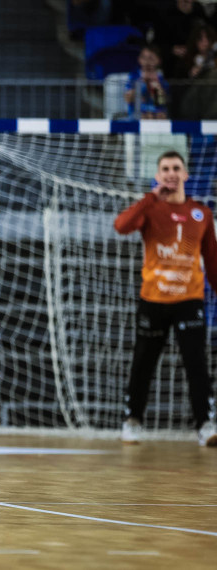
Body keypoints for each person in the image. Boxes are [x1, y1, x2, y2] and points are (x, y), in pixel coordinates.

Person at [113, 151, 217, 447]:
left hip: (189, 300)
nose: (171, 173)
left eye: (176, 168)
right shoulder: (148, 210)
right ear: (158, 176)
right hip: (154, 299)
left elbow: (212, 261)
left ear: (185, 174)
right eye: (165, 169)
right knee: (143, 363)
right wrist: (151, 197)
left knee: (196, 363)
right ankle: (132, 421)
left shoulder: (202, 214)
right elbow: (121, 226)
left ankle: (205, 425)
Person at [153, 0, 211, 76]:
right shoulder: (164, 15)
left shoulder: (199, 12)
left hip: (196, 57)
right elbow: (157, 43)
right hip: (174, 61)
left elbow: (208, 36)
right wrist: (172, 49)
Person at [124, 44, 170, 119]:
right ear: (139, 59)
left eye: (151, 58)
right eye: (144, 58)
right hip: (137, 114)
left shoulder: (162, 78)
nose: (147, 62)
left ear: (159, 60)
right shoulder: (133, 76)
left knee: (160, 116)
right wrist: (142, 84)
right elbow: (128, 99)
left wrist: (153, 83)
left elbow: (160, 101)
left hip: (157, 115)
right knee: (144, 117)